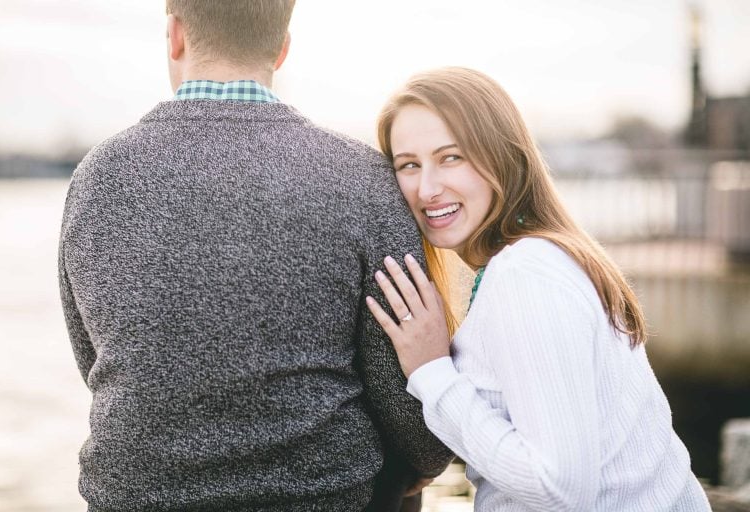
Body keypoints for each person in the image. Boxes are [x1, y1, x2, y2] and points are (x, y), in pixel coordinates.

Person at [57, 2, 451, 510]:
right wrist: (423, 464)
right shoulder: (365, 180)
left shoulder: (97, 177)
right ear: (282, 48)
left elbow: (94, 360)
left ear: (175, 36)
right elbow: (408, 401)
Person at [366, 67, 711, 511]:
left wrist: (431, 374)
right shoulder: (535, 258)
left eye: (451, 157)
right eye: (408, 165)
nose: (427, 188)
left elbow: (559, 489)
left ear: (503, 156)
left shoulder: (526, 274)